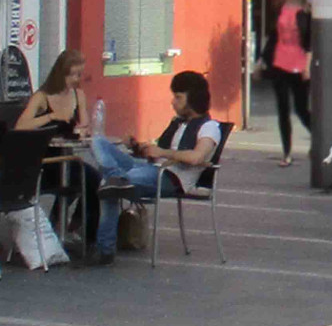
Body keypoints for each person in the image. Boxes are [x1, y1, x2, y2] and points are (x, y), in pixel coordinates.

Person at [87, 71, 220, 266]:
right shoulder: (178, 124)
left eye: (178, 97)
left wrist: (164, 152)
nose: (173, 102)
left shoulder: (209, 127)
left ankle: (105, 248)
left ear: (193, 98)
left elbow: (196, 157)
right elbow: (158, 151)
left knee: (107, 186)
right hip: (150, 168)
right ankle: (118, 178)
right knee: (98, 141)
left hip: (170, 177)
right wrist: (138, 147)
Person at [260, 0, 312, 167]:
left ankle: (320, 138)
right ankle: (287, 153)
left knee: (301, 109)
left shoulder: (306, 10)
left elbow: (309, 42)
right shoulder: (280, 7)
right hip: (279, 62)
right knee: (282, 109)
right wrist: (261, 60)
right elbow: (274, 36)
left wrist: (308, 66)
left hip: (299, 63)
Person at [15, 49, 91, 137]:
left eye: (79, 75)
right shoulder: (41, 96)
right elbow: (20, 126)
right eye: (71, 74)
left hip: (70, 147)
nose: (75, 79)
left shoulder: (79, 95)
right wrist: (51, 117)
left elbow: (84, 126)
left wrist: (83, 130)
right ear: (60, 74)